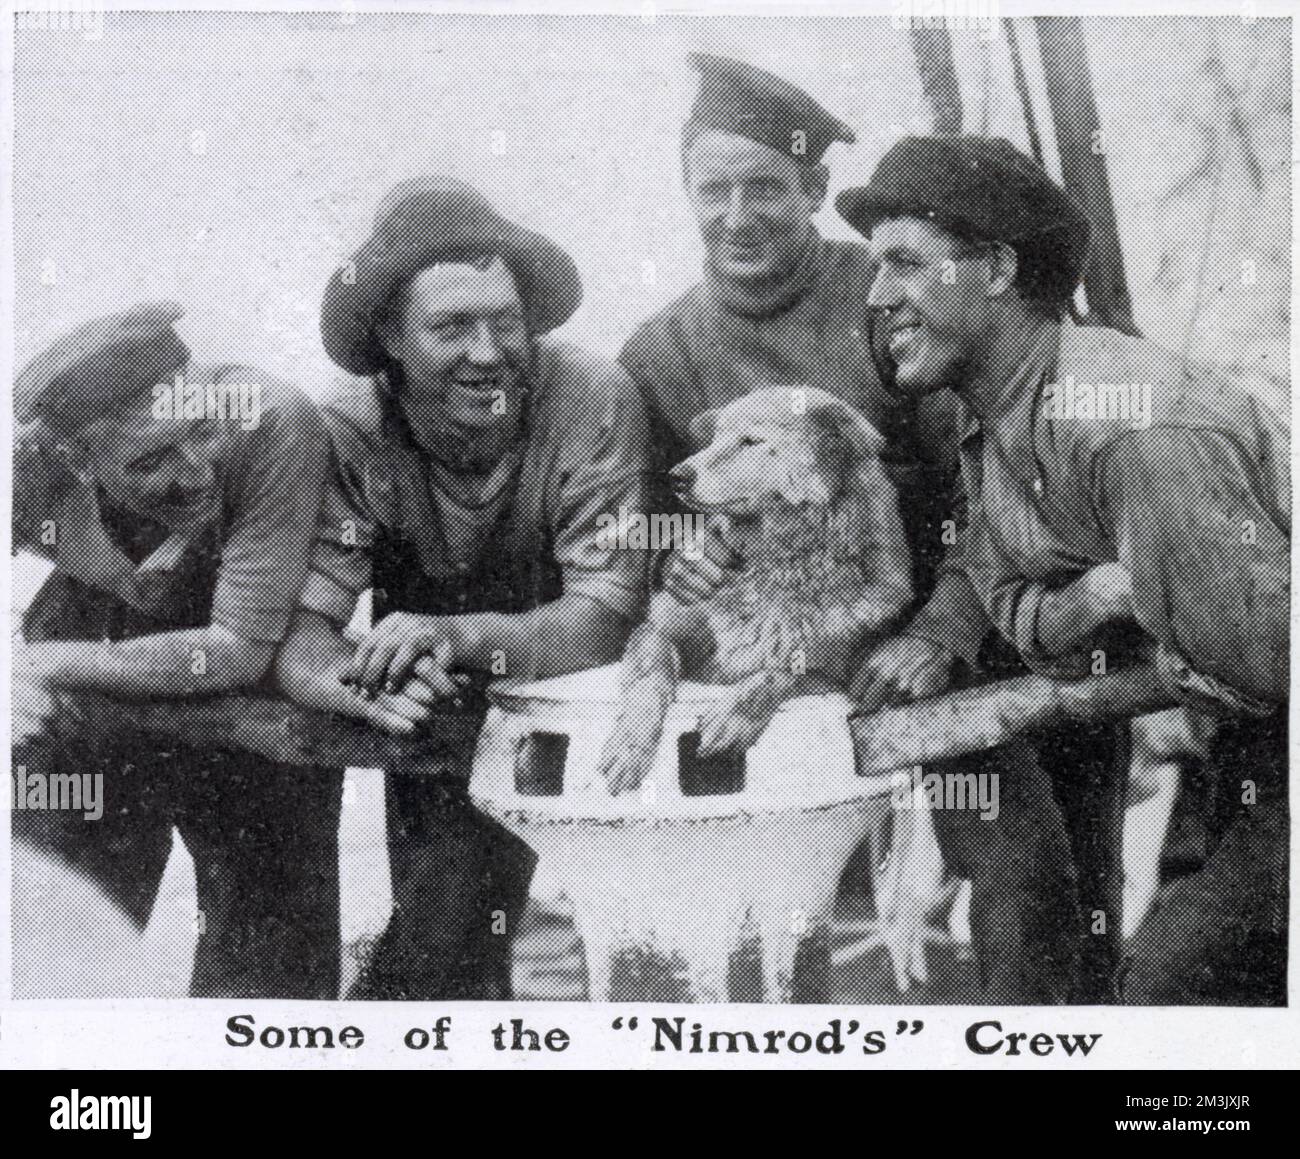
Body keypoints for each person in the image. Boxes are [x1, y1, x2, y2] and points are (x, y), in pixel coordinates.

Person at [623, 54, 1117, 1003]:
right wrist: (676, 564)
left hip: (952, 632)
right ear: (685, 191)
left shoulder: (894, 296)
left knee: (1025, 873)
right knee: (753, 900)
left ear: (813, 188)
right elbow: (645, 528)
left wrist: (942, 630)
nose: (738, 215)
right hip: (777, 660)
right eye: (712, 188)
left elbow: (998, 484)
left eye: (765, 186)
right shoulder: (657, 352)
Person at [838, 134, 1289, 1004]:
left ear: (997, 270)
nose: (878, 295)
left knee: (1175, 990)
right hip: (1244, 736)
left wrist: (1125, 639)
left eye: (904, 263)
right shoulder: (997, 420)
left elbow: (1261, 667)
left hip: (1275, 727)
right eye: (873, 266)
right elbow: (1017, 614)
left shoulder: (1128, 423)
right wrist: (1086, 601)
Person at [272, 176, 651, 999]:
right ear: (391, 338)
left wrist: (461, 635)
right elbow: (303, 629)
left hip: (589, 702)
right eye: (450, 326)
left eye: (505, 321)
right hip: (440, 702)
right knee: (447, 950)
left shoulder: (591, 397)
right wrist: (361, 686)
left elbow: (607, 612)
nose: (487, 352)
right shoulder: (349, 427)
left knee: (644, 949)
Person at [12, 302, 340, 998]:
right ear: (72, 455)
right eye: (152, 458)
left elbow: (237, 650)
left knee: (271, 966)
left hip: (243, 651)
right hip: (91, 640)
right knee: (61, 944)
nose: (194, 473)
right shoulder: (26, 469)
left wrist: (37, 666)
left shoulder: (274, 421)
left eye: (200, 432)